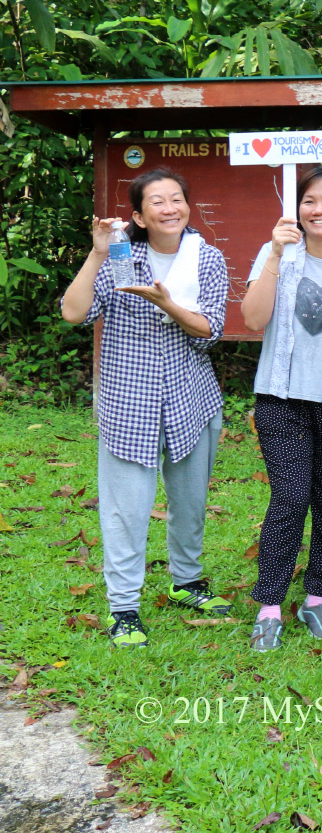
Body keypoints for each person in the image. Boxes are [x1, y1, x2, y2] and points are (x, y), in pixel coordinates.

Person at [60, 167, 233, 649]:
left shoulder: (207, 258)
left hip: (191, 399)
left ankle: (188, 581)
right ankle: (124, 609)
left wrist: (167, 303)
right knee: (126, 510)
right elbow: (74, 313)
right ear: (138, 215)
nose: (170, 207)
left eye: (177, 198)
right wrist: (96, 254)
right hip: (127, 403)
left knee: (190, 502)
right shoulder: (119, 259)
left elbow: (209, 330)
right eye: (157, 201)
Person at [240, 167, 322, 652]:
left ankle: (316, 597)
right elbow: (253, 319)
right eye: (310, 201)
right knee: (291, 497)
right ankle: (270, 604)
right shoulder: (278, 253)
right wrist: (275, 253)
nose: (319, 210)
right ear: (297, 209)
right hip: (282, 399)